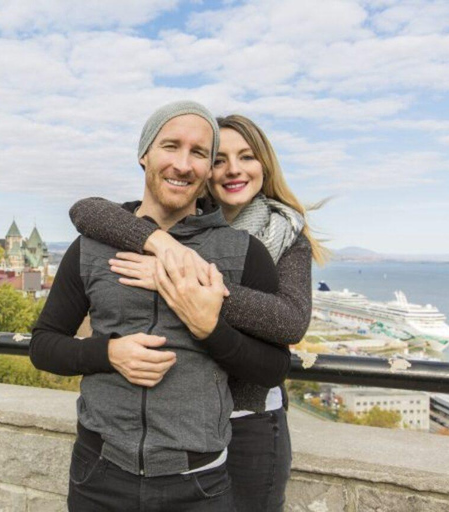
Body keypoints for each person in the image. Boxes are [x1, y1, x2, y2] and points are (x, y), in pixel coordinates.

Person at [30, 101, 292, 511]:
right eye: (171, 146)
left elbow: (274, 368)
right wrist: (108, 353)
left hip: (199, 485)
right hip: (98, 473)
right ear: (144, 154)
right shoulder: (92, 247)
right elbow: (44, 344)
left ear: (208, 169)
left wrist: (211, 330)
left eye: (199, 153)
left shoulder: (244, 253)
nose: (183, 164)